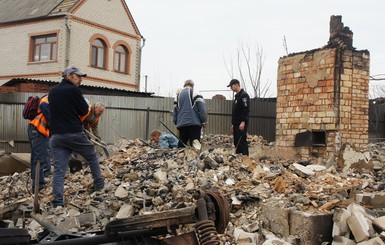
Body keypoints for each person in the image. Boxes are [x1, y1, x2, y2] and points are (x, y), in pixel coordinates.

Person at [49, 66, 104, 208]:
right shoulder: (73, 90)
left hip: (56, 136)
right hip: (73, 133)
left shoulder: (53, 91)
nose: (80, 79)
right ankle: (99, 186)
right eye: (78, 76)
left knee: (59, 170)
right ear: (68, 76)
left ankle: (58, 202)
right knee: (92, 156)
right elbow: (84, 110)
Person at [172, 80, 207, 148]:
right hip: (194, 124)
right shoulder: (196, 94)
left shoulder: (177, 96)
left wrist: (176, 122)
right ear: (192, 86)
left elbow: (175, 111)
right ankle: (194, 158)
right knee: (195, 146)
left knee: (181, 145)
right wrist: (204, 121)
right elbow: (202, 109)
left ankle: (180, 158)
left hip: (181, 125)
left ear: (184, 85)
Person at [28, 95, 50, 192]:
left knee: (37, 157)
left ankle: (36, 183)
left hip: (37, 130)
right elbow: (47, 111)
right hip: (37, 130)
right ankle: (37, 185)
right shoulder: (47, 100)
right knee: (39, 158)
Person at [228, 79, 250, 156]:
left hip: (241, 123)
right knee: (236, 142)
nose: (231, 88)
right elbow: (236, 112)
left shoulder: (244, 96)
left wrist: (243, 122)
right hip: (236, 123)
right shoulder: (237, 97)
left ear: (236, 85)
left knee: (242, 141)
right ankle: (238, 159)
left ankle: (245, 159)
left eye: (231, 86)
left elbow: (245, 110)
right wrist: (233, 124)